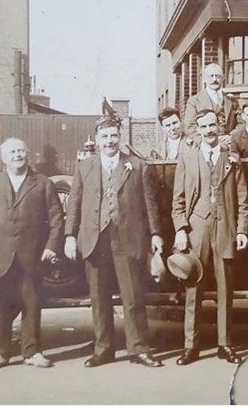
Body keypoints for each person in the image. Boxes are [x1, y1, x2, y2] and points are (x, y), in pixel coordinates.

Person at [65, 116, 165, 368]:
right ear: (97, 140)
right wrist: (69, 236)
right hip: (94, 241)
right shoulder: (84, 167)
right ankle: (103, 350)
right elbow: (74, 204)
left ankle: (139, 349)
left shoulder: (137, 166)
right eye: (105, 137)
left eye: (114, 136)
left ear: (120, 137)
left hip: (127, 238)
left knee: (132, 297)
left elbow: (149, 205)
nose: (110, 141)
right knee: (99, 299)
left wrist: (155, 234)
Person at [0, 138, 64, 371]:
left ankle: (32, 352)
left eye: (21, 150)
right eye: (12, 152)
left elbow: (57, 219)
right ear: (3, 158)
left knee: (32, 304)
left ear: (27, 154)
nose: (17, 155)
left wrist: (51, 247)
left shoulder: (42, 183)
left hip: (31, 257)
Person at [172, 109, 248, 365]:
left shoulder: (231, 158)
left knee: (225, 288)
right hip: (197, 228)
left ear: (219, 126)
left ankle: (224, 344)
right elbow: (178, 200)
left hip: (225, 227)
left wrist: (241, 230)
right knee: (194, 287)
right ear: (197, 129)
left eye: (213, 125)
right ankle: (190, 346)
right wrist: (181, 229)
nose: (209, 130)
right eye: (204, 126)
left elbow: (243, 199)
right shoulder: (188, 156)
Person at [183, 63, 239, 140]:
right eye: (211, 76)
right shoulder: (194, 101)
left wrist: (231, 137)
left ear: (223, 78)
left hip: (229, 143)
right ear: (205, 79)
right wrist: (209, 140)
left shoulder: (232, 100)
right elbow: (190, 127)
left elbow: (242, 123)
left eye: (217, 76)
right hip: (206, 144)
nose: (214, 79)